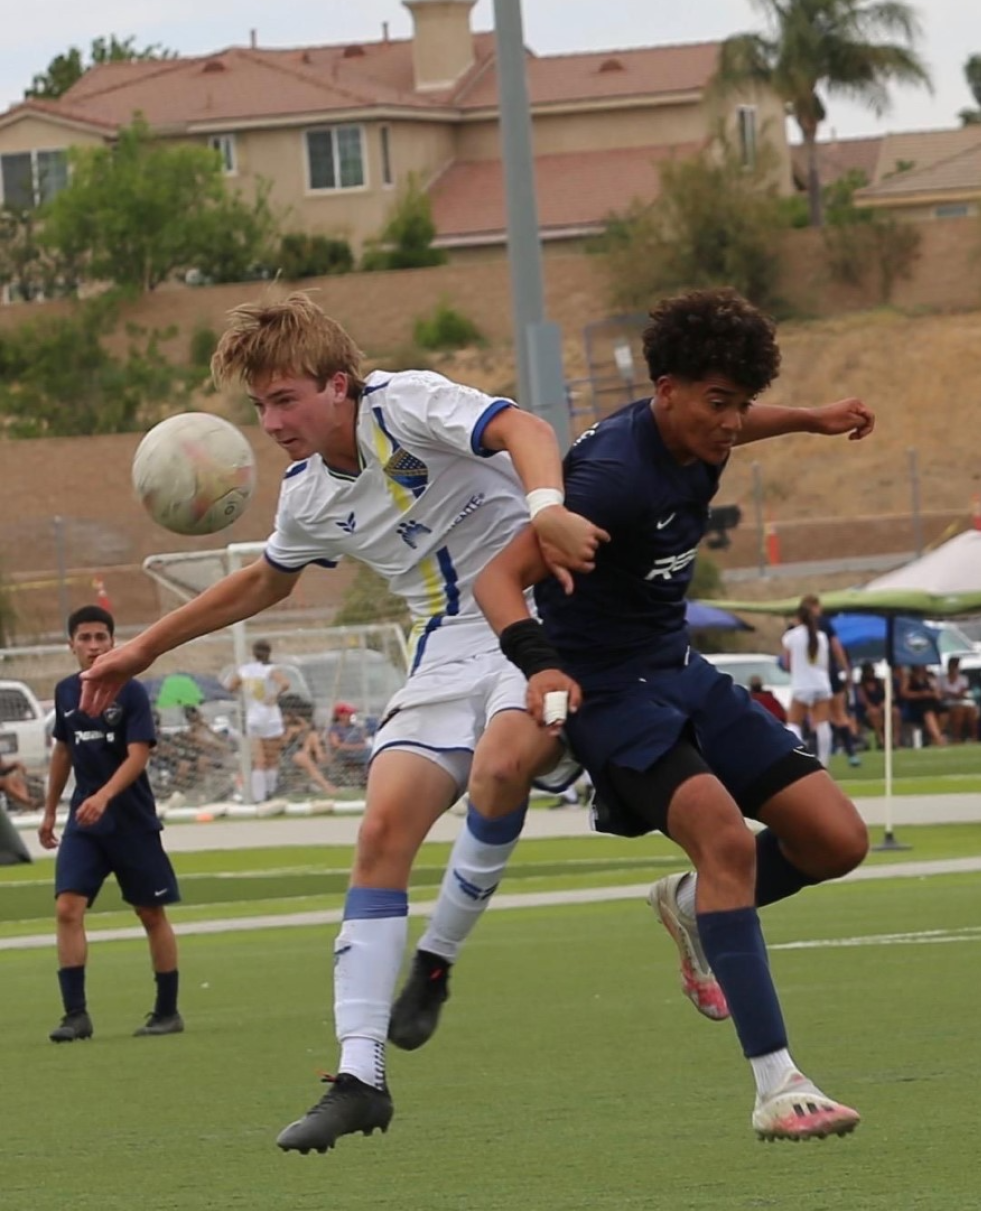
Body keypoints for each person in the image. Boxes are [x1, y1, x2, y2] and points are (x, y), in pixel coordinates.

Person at [78, 291, 605, 1153]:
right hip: (442, 650)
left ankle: (437, 955)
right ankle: (361, 1077)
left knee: (500, 768)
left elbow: (526, 429)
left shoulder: (407, 404)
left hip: (534, 615)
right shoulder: (309, 495)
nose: (272, 423)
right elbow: (265, 579)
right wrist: (140, 649)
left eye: (285, 400)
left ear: (337, 385)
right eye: (260, 407)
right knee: (379, 832)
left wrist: (545, 505)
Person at [475, 288, 873, 1143]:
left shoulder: (701, 434)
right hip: (609, 692)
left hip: (679, 669)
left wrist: (809, 419)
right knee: (725, 840)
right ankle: (778, 1085)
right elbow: (497, 581)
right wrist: (542, 668)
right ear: (666, 390)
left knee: (836, 840)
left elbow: (741, 421)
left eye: (740, 403)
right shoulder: (610, 480)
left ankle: (693, 905)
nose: (731, 423)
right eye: (718, 403)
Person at [38, 605, 184, 1043]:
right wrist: (50, 810)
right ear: (71, 644)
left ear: (113, 642)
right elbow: (64, 751)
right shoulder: (66, 692)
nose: (94, 646)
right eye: (85, 638)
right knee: (67, 908)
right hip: (85, 822)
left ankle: (167, 1011)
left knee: (150, 912)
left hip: (131, 820)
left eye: (101, 637)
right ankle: (75, 1016)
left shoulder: (131, 692)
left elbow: (139, 755)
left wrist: (104, 796)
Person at [225, 639, 289, 802]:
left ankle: (258, 798)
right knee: (272, 759)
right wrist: (274, 695)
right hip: (271, 717)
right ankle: (269, 793)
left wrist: (242, 694)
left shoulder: (245, 670)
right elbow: (285, 683)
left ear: (253, 653)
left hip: (254, 717)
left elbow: (230, 686)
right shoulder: (270, 669)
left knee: (259, 760)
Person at [802, 594, 860, 766]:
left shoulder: (798, 626)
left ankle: (816, 755)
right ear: (815, 606)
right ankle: (851, 753)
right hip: (829, 675)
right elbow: (836, 647)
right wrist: (846, 669)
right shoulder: (825, 624)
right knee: (839, 714)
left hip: (810, 677)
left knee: (816, 718)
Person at [780, 598, 835, 767]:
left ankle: (797, 761)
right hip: (821, 683)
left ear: (798, 617)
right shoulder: (821, 636)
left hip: (801, 685)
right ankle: (824, 762)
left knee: (793, 723)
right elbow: (825, 663)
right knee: (822, 723)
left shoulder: (791, 637)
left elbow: (787, 664)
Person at [898, 664, 946, 747]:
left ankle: (937, 734)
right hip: (917, 704)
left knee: (944, 712)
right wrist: (921, 694)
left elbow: (937, 690)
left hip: (931, 702)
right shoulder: (909, 677)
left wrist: (935, 692)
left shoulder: (929, 676)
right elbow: (904, 693)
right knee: (928, 713)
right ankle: (938, 738)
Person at [855, 661, 899, 749]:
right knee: (874, 713)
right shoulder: (860, 686)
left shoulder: (881, 682)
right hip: (869, 711)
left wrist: (885, 703)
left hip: (884, 707)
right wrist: (873, 707)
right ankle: (881, 739)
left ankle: (895, 740)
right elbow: (864, 701)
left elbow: (891, 695)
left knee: (895, 711)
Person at [937, 657, 979, 742]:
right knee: (958, 711)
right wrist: (952, 695)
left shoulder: (963, 678)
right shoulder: (941, 679)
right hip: (947, 703)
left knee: (971, 711)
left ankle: (974, 736)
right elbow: (940, 693)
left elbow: (961, 693)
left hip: (961, 702)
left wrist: (949, 693)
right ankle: (957, 737)